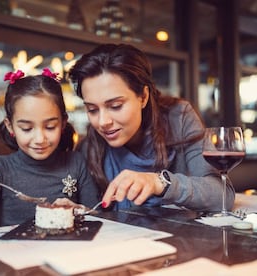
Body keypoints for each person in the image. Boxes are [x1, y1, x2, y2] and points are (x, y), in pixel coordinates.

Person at [68, 43, 234, 211]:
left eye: (116, 106)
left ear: (143, 96)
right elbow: (92, 210)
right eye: (92, 109)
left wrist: (159, 182)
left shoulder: (179, 117)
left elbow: (222, 195)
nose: (103, 122)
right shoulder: (89, 147)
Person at [0, 68, 99, 227]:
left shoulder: (75, 162)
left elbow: (99, 219)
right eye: (27, 129)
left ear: (63, 123)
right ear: (10, 126)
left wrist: (78, 211)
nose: (40, 139)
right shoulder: (0, 169)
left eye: (50, 127)